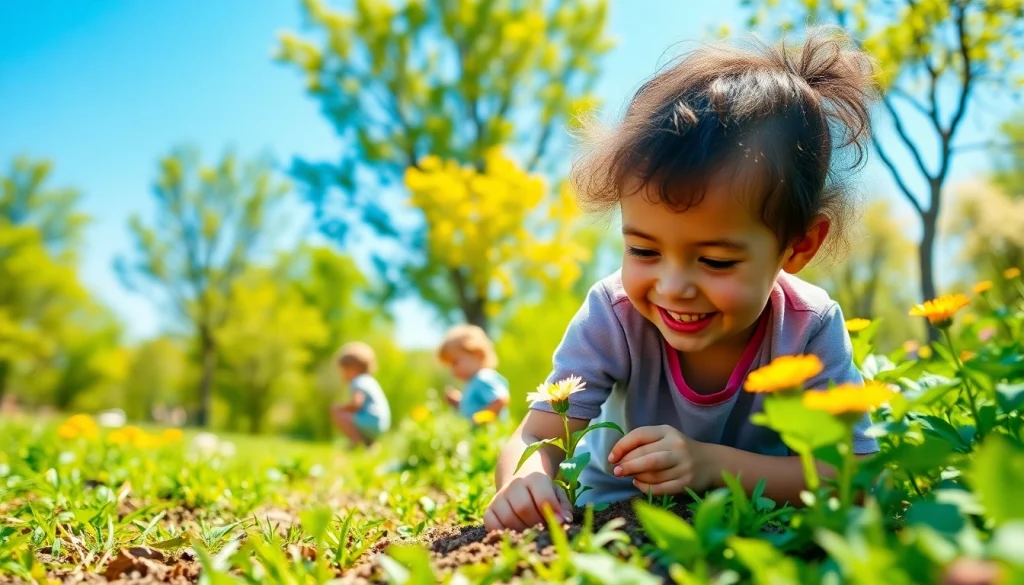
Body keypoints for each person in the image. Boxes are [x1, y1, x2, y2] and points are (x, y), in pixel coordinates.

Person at [484, 29, 880, 531]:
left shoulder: (807, 327)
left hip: (748, 525)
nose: (672, 287)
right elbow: (535, 434)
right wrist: (523, 479)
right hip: (612, 517)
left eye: (715, 261)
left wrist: (711, 466)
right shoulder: (615, 312)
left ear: (798, 245)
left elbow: (855, 476)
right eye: (643, 250)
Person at [438, 324, 510, 422]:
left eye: (455, 362)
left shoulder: (483, 377)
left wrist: (480, 420)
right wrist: (459, 402)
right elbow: (473, 408)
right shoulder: (473, 382)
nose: (452, 369)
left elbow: (500, 400)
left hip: (490, 435)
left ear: (477, 354)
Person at [330, 342, 391, 446]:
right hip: (382, 423)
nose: (343, 375)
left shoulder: (358, 381)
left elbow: (357, 404)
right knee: (357, 416)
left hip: (372, 422)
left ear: (353, 369)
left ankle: (357, 443)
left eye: (344, 371)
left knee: (338, 413)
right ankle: (370, 445)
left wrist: (340, 408)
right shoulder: (369, 380)